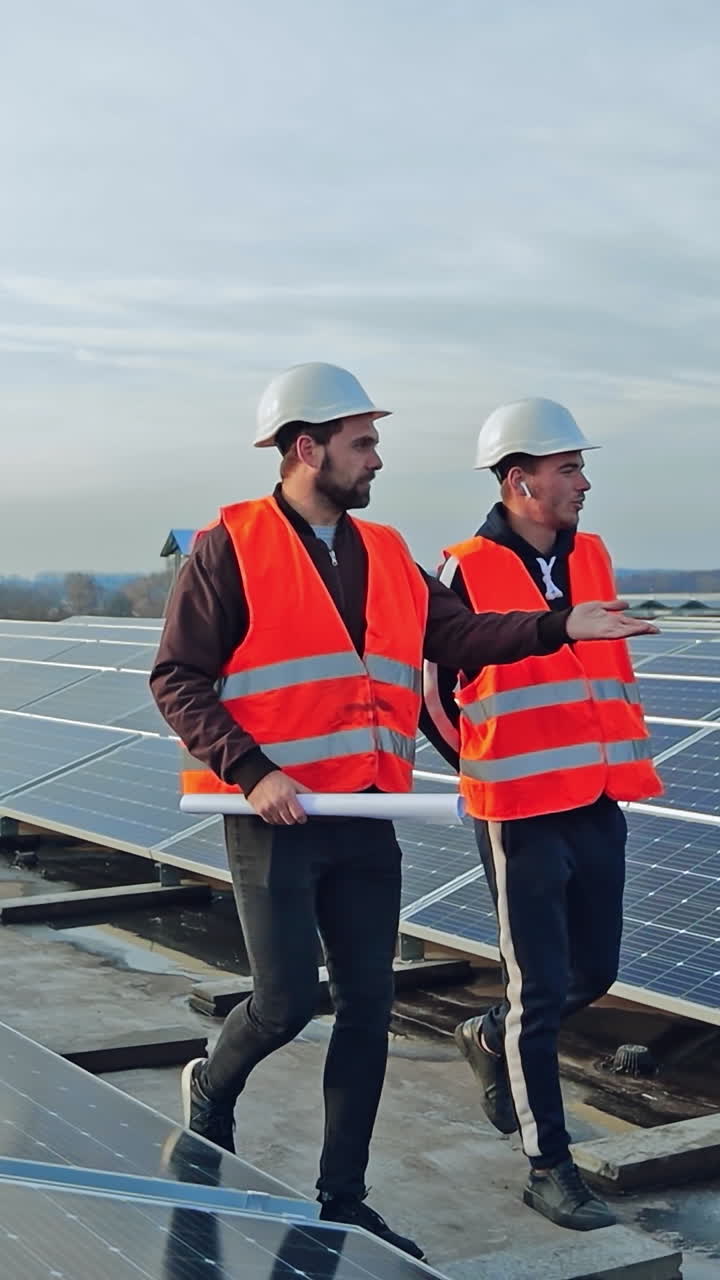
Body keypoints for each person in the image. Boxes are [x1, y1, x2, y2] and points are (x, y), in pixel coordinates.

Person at [150, 368, 657, 1259]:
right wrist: (252, 769)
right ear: (306, 448)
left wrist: (558, 628)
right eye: (363, 442)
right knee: (283, 1002)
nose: (377, 457)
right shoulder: (229, 547)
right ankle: (213, 1088)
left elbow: (457, 635)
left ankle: (342, 1199)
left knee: (366, 1007)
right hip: (275, 810)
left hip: (364, 809)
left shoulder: (384, 550)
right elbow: (177, 679)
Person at [422, 397, 663, 1232]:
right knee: (538, 989)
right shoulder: (463, 568)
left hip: (597, 799)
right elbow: (434, 691)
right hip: (520, 810)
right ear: (520, 480)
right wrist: (483, 767)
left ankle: (486, 1037)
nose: (584, 484)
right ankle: (547, 1167)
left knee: (590, 974)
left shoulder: (591, 554)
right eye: (569, 470)